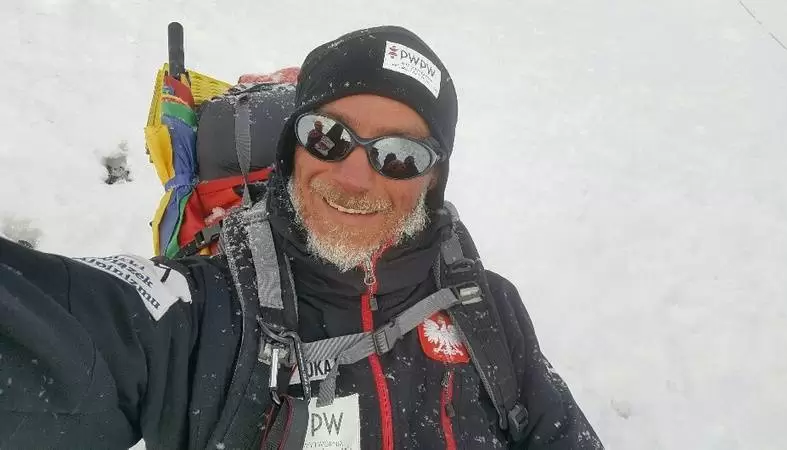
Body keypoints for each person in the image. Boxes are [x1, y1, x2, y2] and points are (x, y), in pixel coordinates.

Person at [0, 26, 603, 449]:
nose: (354, 177)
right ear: (293, 147)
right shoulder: (207, 317)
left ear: (434, 179)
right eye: (328, 136)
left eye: (399, 154)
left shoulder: (489, 309)